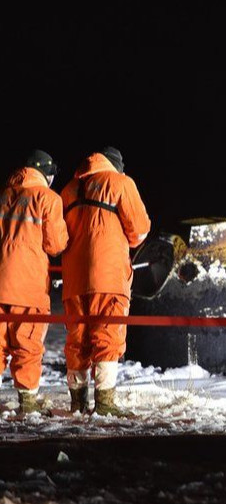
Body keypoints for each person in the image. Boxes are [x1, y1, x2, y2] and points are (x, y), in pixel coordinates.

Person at [61, 147, 151, 416]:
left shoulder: (68, 190)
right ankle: (105, 403)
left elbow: (58, 236)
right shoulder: (121, 183)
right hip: (108, 275)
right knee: (107, 335)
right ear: (117, 166)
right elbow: (140, 230)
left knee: (77, 339)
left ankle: (77, 402)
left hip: (74, 279)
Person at [0, 149, 68, 413]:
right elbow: (56, 245)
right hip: (27, 286)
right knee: (27, 344)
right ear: (47, 174)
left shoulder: (4, 195)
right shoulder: (48, 198)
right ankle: (27, 403)